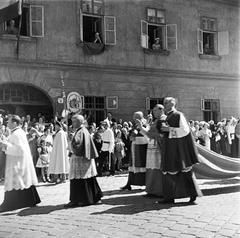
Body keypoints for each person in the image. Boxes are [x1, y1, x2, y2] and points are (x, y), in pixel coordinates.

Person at [159, 97, 202, 204]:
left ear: (172, 103)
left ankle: (193, 194)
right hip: (169, 147)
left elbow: (185, 130)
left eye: (165, 102)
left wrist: (169, 129)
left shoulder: (178, 115)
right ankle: (169, 197)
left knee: (186, 171)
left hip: (179, 148)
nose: (163, 105)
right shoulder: (166, 116)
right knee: (169, 171)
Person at [0, 115, 40, 212]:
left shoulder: (17, 134)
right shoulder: (17, 132)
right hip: (18, 162)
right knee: (22, 182)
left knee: (16, 182)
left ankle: (10, 204)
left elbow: (19, 150)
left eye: (9, 122)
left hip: (17, 163)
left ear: (14, 123)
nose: (7, 123)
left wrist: (5, 144)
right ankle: (30, 201)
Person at [64, 115, 102, 208]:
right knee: (87, 179)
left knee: (80, 179)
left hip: (80, 159)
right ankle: (91, 197)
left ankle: (80, 199)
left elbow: (77, 146)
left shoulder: (80, 132)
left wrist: (71, 139)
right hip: (84, 159)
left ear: (80, 122)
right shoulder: (83, 130)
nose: (72, 124)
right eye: (72, 122)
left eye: (74, 122)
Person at [137, 104, 167, 197]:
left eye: (155, 110)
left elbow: (163, 134)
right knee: (151, 168)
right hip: (151, 147)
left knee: (157, 169)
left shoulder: (164, 119)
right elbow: (149, 133)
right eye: (153, 110)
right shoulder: (156, 120)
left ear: (161, 110)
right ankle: (151, 190)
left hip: (159, 147)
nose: (153, 112)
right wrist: (141, 128)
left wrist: (147, 131)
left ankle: (158, 191)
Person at [121, 111, 148, 190]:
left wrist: (134, 136)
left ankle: (145, 183)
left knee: (141, 164)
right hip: (135, 146)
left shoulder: (144, 124)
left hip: (141, 146)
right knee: (132, 165)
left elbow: (146, 134)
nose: (133, 118)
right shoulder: (135, 125)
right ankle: (129, 183)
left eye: (135, 117)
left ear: (140, 117)